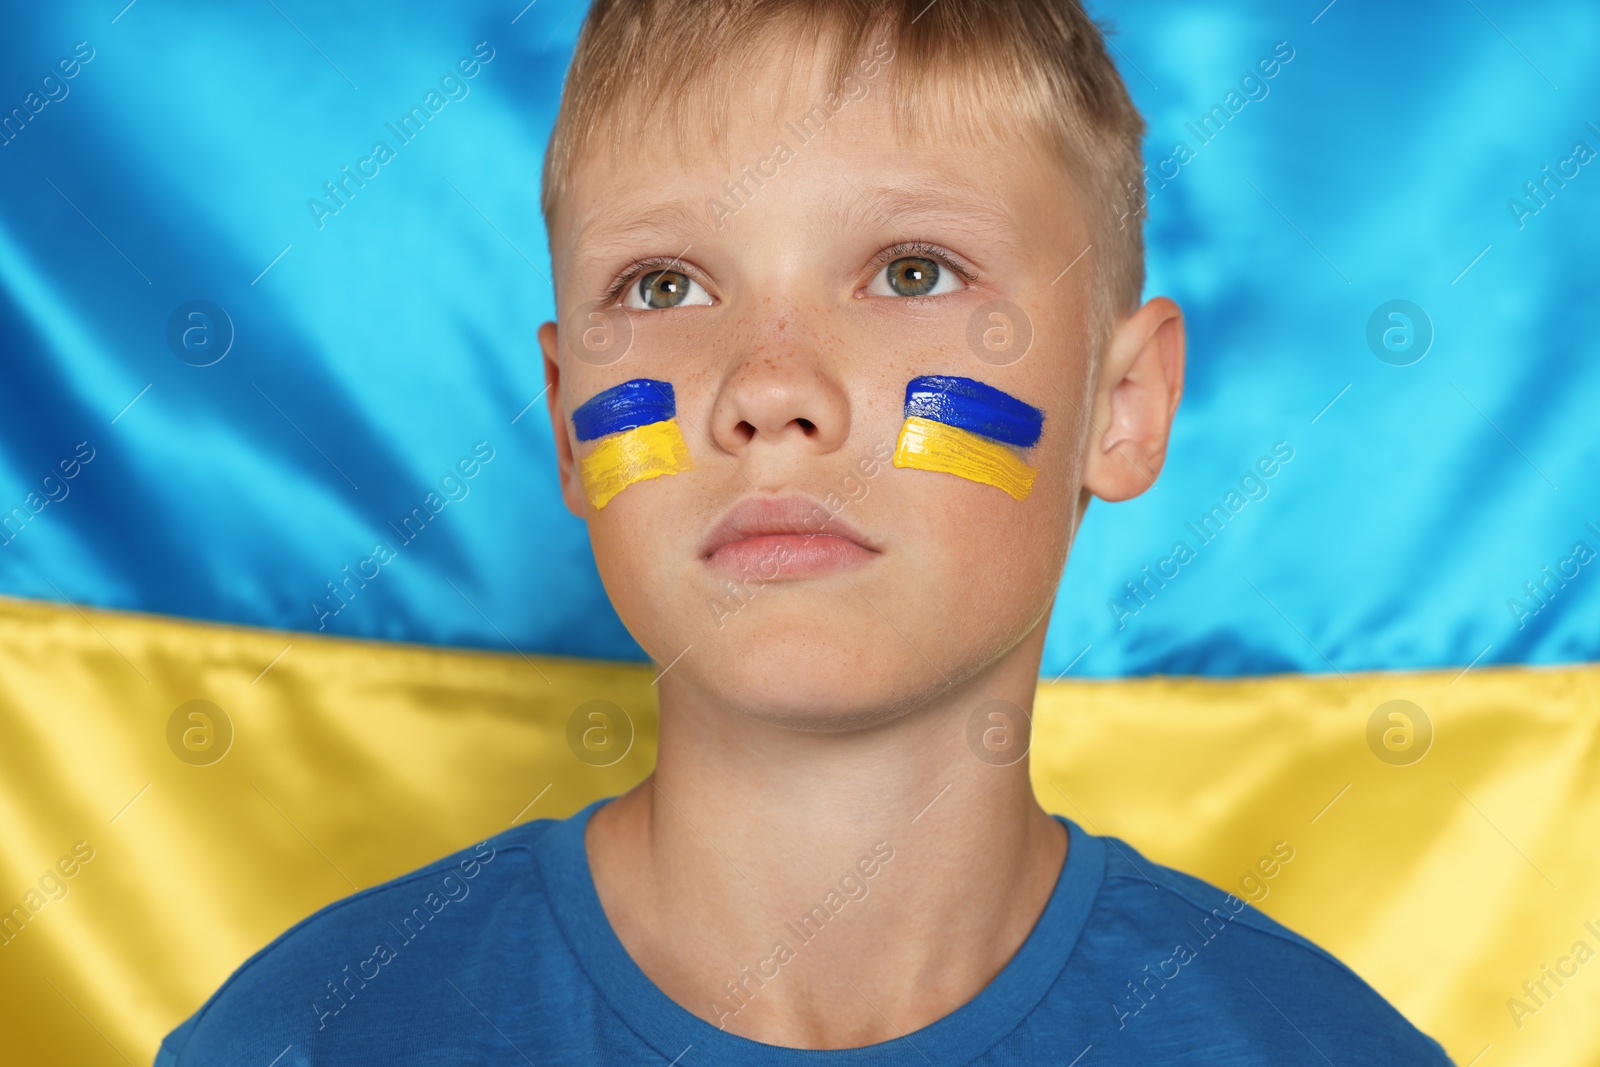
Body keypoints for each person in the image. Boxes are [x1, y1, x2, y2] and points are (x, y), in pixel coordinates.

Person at [158, 1, 1454, 1062]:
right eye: (664, 285)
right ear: (566, 427)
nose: (769, 386)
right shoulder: (312, 1038)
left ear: (1121, 408)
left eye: (911, 272)